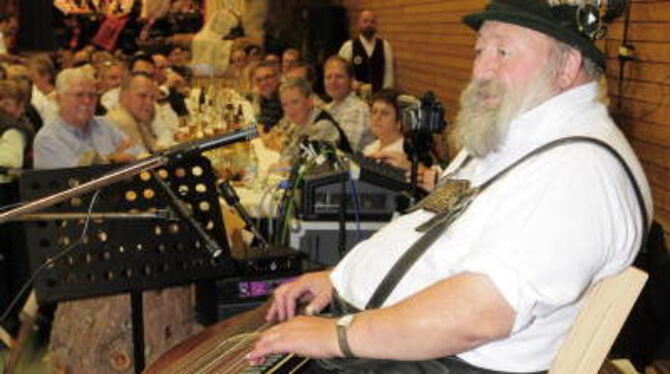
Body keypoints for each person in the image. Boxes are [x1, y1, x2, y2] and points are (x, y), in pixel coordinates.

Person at [247, 1, 653, 373]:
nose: (481, 70)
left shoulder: (580, 170)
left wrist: (337, 336)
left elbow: (480, 315)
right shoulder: (512, 138)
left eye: (503, 52)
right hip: (383, 338)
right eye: (479, 51)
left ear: (566, 68)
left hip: (430, 360)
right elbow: (422, 226)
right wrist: (341, 277)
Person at [33, 67, 140, 169]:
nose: (87, 101)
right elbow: (79, 178)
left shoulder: (105, 124)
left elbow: (138, 153)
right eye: (79, 95)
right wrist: (113, 159)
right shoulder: (48, 139)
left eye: (92, 95)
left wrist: (101, 161)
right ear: (59, 99)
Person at [275, 77, 351, 164]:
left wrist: (282, 167)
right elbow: (288, 155)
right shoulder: (302, 123)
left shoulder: (323, 126)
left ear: (310, 101)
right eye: (285, 105)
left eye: (295, 102)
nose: (290, 110)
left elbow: (309, 165)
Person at [324, 56, 374, 153]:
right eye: (328, 77)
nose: (333, 81)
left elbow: (342, 153)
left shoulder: (358, 109)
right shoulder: (328, 108)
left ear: (351, 81)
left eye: (339, 77)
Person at [338, 10, 394, 92]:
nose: (369, 25)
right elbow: (342, 74)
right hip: (356, 96)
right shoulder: (349, 46)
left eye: (372, 22)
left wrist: (386, 94)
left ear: (376, 25)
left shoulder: (385, 45)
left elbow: (389, 74)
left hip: (378, 96)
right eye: (365, 21)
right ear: (358, 24)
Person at [363, 89, 407, 168]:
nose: (377, 117)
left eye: (384, 113)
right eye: (374, 111)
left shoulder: (404, 156)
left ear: (399, 122)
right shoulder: (371, 148)